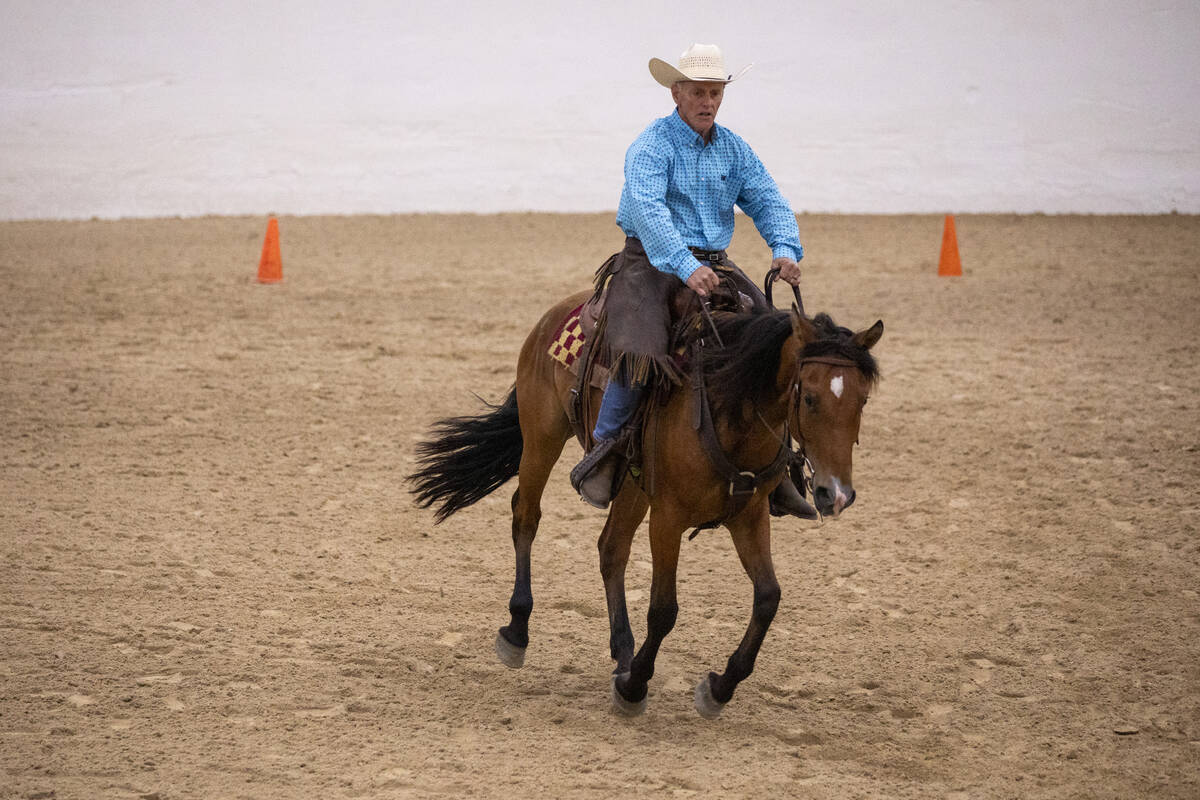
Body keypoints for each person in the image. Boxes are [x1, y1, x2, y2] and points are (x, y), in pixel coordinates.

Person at [570, 43, 817, 519]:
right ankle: (604, 451)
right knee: (638, 347)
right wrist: (684, 265)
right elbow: (647, 210)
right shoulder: (650, 146)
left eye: (715, 93)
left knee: (775, 339)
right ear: (676, 94)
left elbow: (766, 198)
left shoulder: (733, 148)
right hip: (650, 263)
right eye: (699, 93)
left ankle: (781, 465)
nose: (708, 102)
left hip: (713, 264)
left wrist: (784, 249)